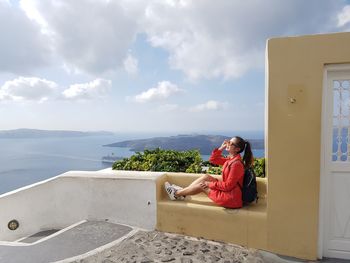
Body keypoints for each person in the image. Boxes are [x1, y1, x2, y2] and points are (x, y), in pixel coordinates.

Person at [164, 136, 253, 208]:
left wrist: (208, 184)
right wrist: (221, 148)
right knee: (206, 177)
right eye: (228, 141)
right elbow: (213, 159)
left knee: (202, 185)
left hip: (231, 198)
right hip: (228, 192)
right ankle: (183, 193)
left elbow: (228, 186)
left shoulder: (236, 164)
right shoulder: (231, 160)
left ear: (237, 149)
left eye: (230, 143)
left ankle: (176, 193)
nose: (228, 143)